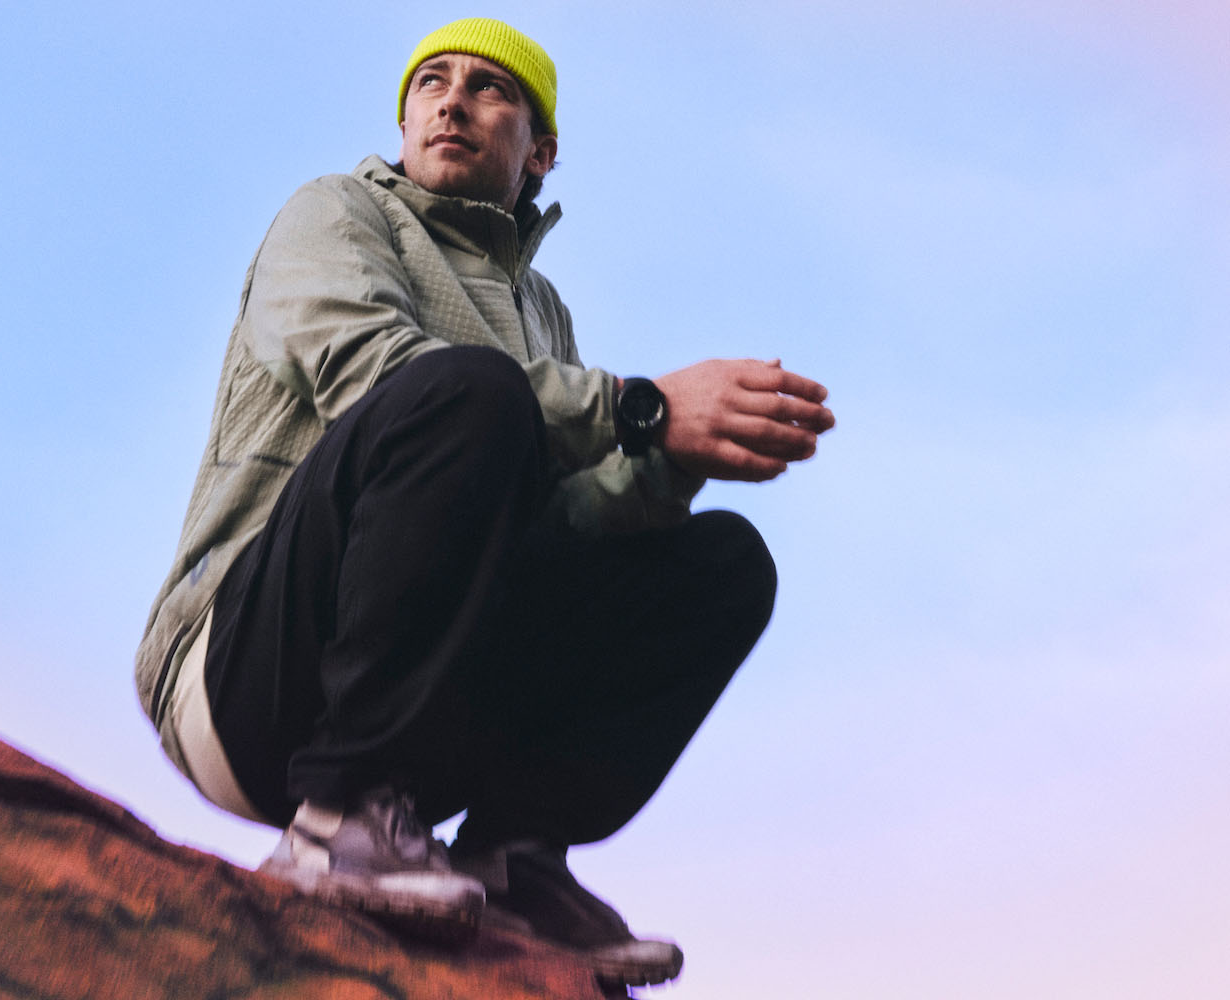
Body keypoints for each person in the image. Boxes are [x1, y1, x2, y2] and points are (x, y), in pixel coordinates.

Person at [135, 17, 835, 990]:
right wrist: (640, 406)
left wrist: (678, 452)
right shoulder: (335, 213)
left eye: (489, 89)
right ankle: (335, 819)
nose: (452, 100)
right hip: (248, 672)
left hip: (429, 708)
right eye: (431, 83)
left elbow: (561, 526)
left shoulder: (541, 313)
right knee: (468, 390)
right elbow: (374, 376)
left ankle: (513, 857)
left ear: (541, 151)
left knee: (723, 563)